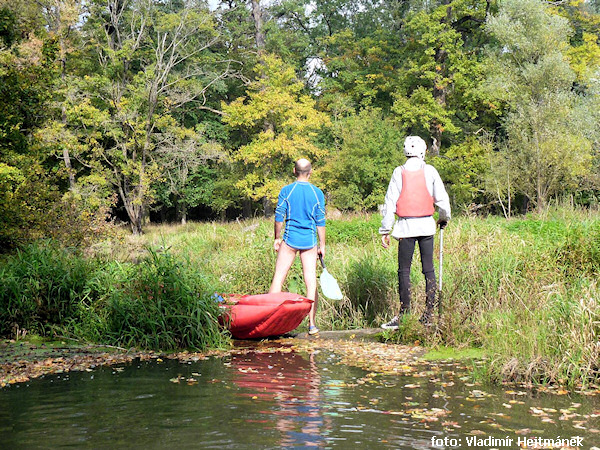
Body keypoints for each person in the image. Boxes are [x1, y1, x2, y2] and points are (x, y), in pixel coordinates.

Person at [379, 136, 451, 329]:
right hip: (426, 226)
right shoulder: (430, 171)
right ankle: (428, 315)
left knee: (404, 270)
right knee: (428, 269)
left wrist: (385, 229)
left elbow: (390, 203)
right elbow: (442, 200)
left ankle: (404, 315)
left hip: (406, 227)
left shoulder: (398, 172)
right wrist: (444, 218)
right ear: (423, 151)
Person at [269, 158, 326, 335]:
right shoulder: (317, 193)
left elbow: (279, 217)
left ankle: (271, 323)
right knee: (310, 281)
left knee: (278, 277)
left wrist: (277, 238)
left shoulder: (286, 190)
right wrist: (322, 245)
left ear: (294, 171)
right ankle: (312, 325)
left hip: (289, 239)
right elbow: (320, 222)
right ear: (310, 172)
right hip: (309, 242)